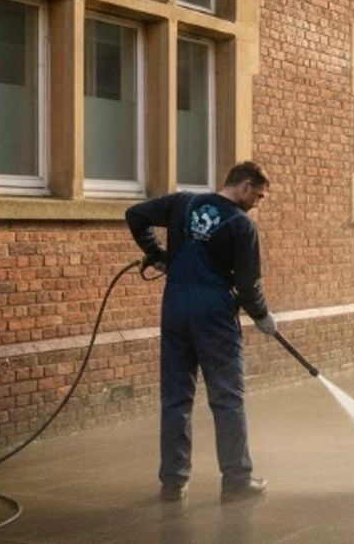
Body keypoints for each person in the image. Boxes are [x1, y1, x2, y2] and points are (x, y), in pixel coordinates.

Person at [126, 161, 277, 503]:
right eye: (259, 196)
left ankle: (173, 482)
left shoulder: (183, 204)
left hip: (176, 308)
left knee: (176, 397)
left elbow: (135, 214)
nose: (258, 203)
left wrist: (159, 255)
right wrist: (263, 317)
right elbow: (248, 284)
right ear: (245, 187)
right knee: (227, 397)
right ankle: (237, 479)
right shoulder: (242, 225)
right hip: (214, 316)